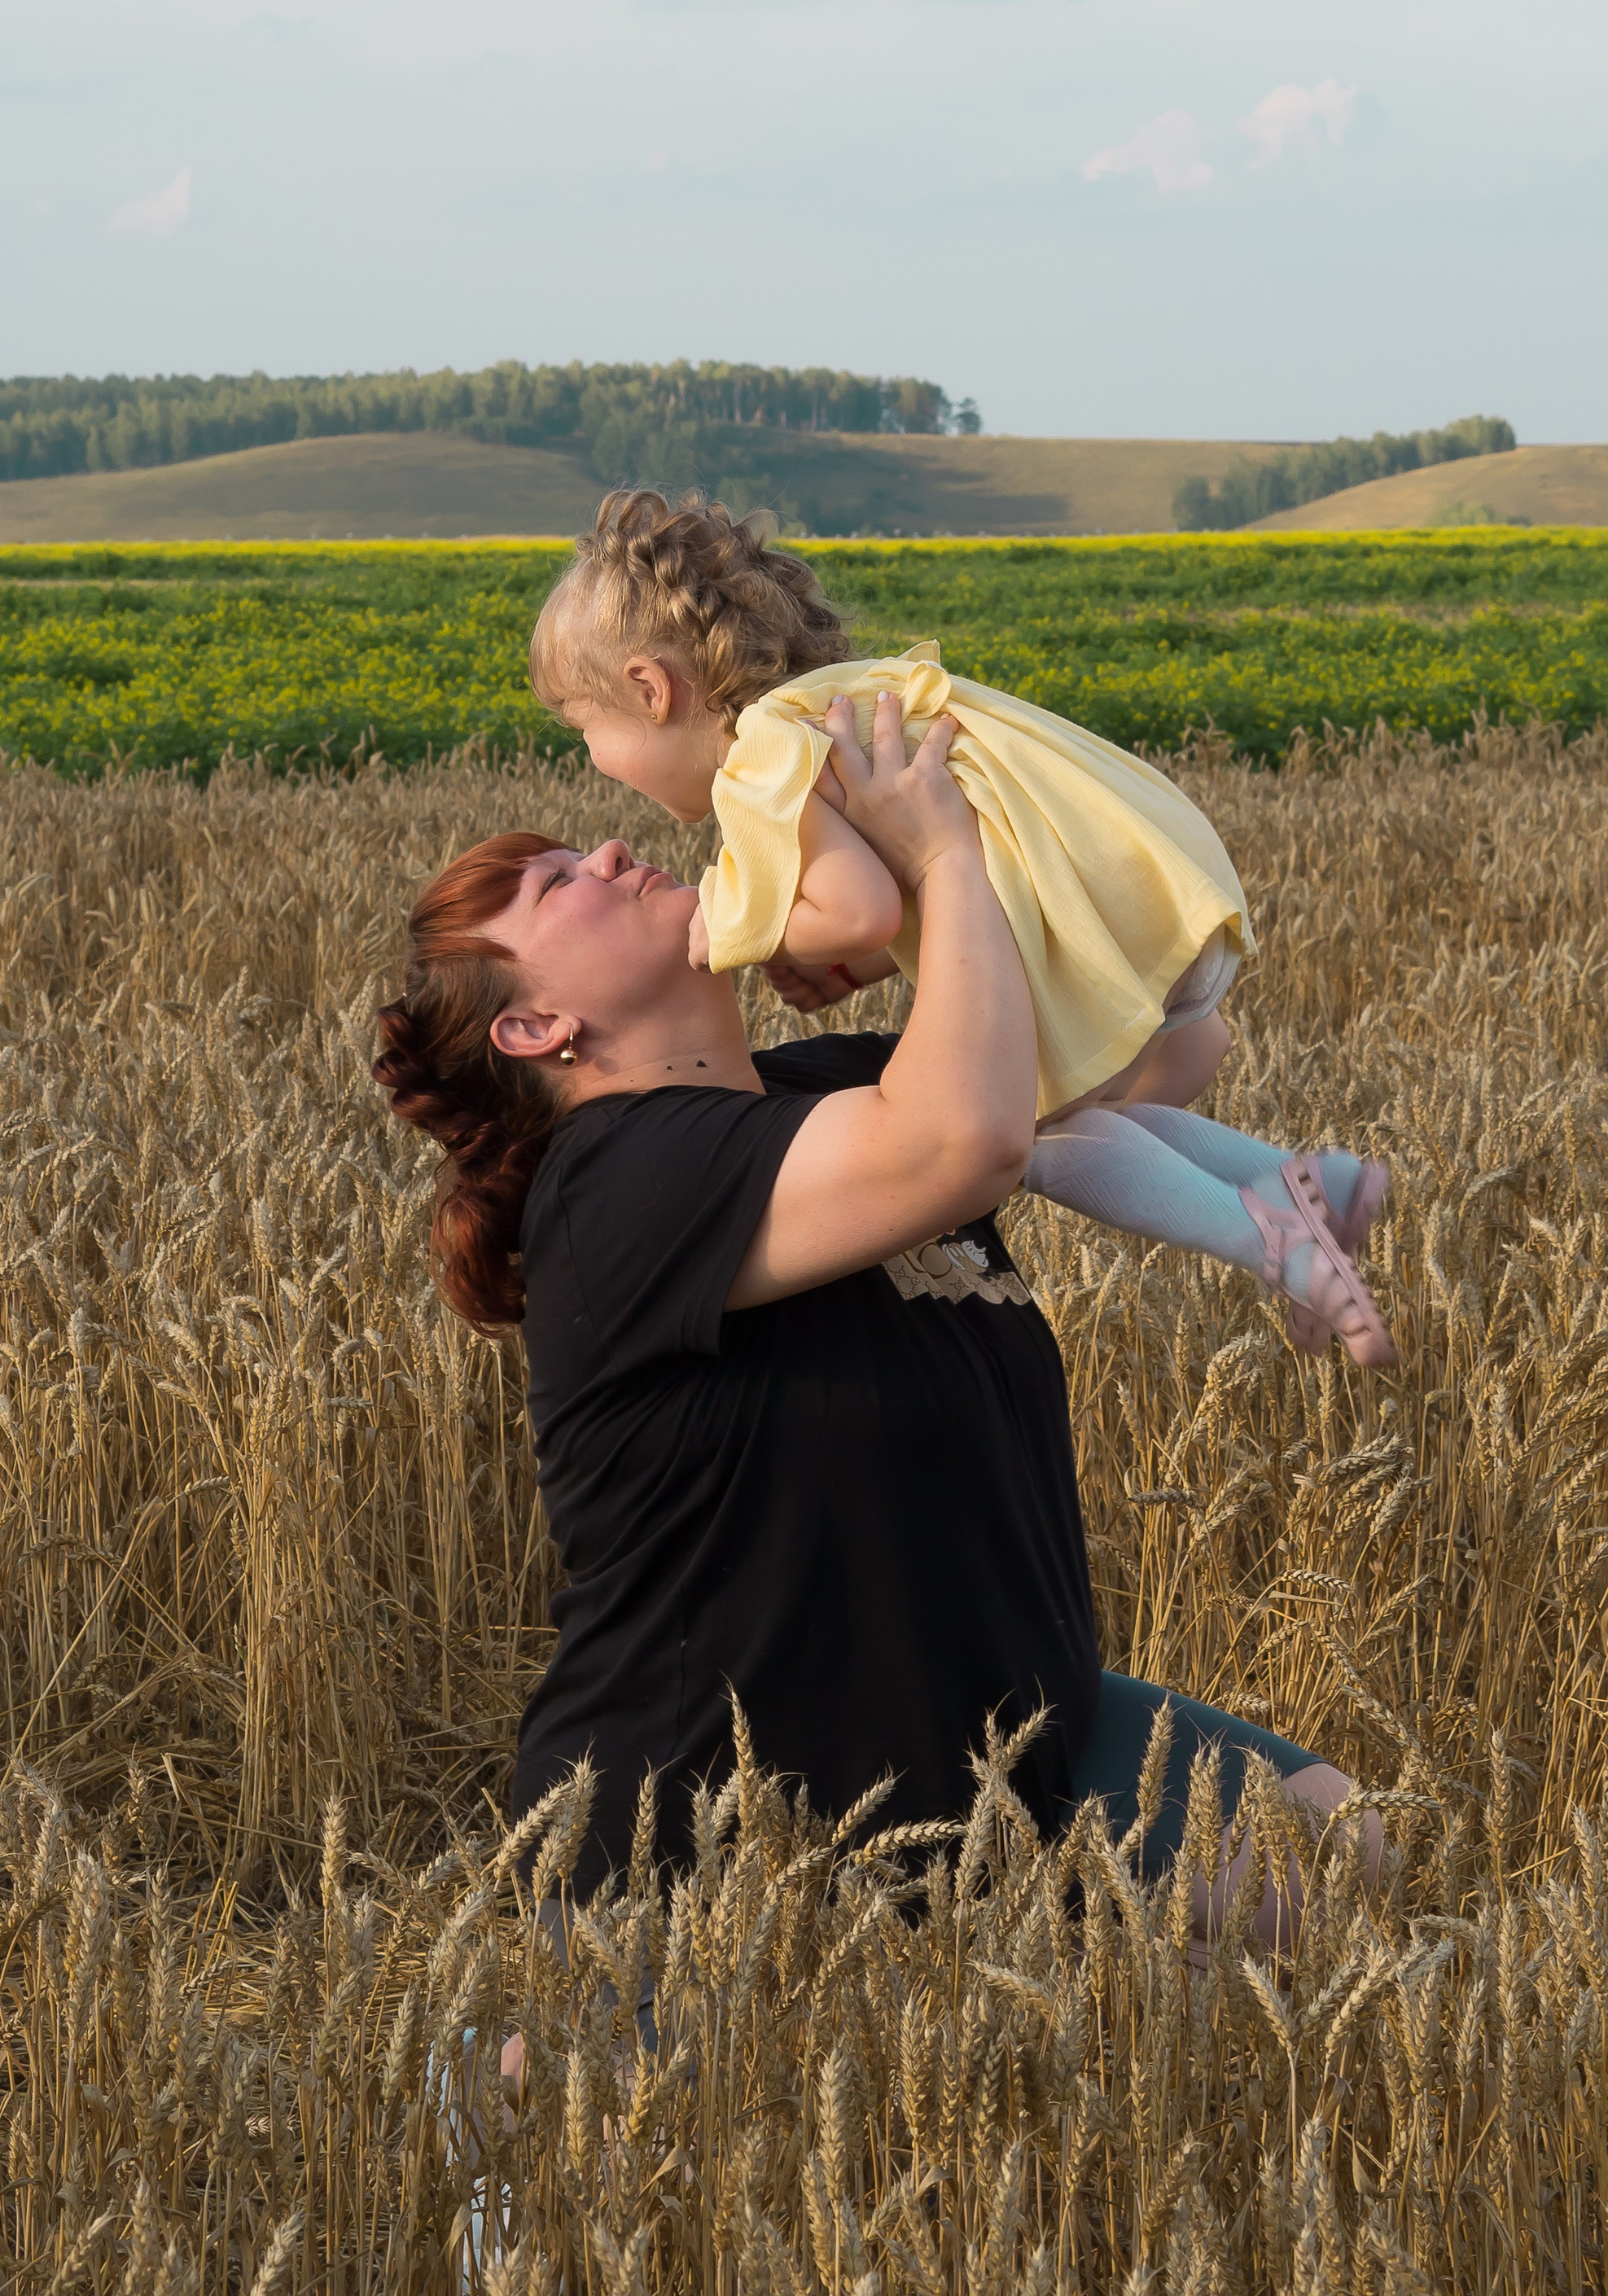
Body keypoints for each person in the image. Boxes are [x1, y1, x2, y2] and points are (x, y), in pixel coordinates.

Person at [371, 688, 1382, 1948]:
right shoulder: (616, 1182)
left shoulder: (823, 1084)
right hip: (721, 1850)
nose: (618, 850)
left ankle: (1055, 2039)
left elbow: (1147, 1064)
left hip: (1002, 1758)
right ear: (538, 1028)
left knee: (1334, 1840)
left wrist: (998, 857)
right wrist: (939, 852)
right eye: (562, 882)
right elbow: (966, 1141)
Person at [526, 489, 1397, 1369]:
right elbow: (889, 894)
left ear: (649, 687)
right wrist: (861, 962)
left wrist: (737, 922)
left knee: (1039, 1140)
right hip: (1137, 897)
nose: (591, 758)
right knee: (1069, 1112)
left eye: (581, 727)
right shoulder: (818, 708)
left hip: (1086, 927)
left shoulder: (756, 759)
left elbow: (859, 907)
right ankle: (1298, 1176)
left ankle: (1271, 1242)